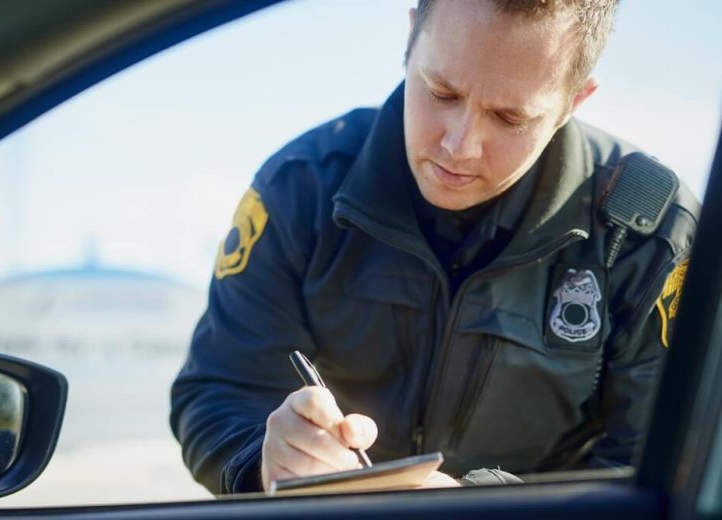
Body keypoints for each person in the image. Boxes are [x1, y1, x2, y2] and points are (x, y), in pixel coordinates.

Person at [170, 0, 699, 494]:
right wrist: (263, 462)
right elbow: (217, 390)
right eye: (441, 93)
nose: (459, 146)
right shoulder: (301, 188)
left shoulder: (648, 237)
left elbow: (662, 465)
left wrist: (484, 505)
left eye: (509, 118)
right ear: (409, 42)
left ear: (573, 101)